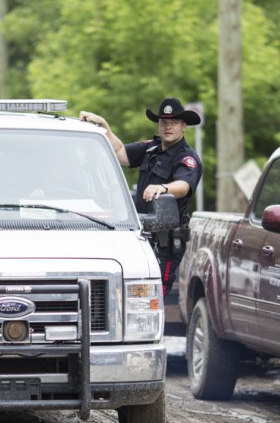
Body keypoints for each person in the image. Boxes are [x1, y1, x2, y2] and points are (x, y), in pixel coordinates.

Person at [79, 98, 202, 295]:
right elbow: (119, 153)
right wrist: (105, 128)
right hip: (140, 238)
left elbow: (184, 186)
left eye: (174, 123)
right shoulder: (151, 148)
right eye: (163, 122)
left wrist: (163, 187)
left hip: (165, 244)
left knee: (153, 297)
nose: (168, 127)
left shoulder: (186, 157)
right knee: (131, 295)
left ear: (183, 126)